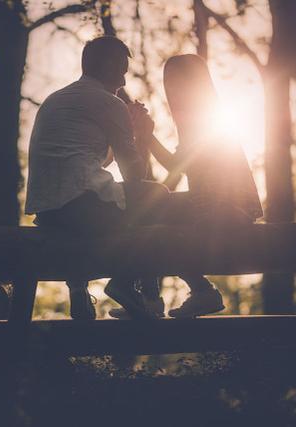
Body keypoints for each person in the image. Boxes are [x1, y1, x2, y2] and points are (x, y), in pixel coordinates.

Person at [109, 54, 264, 318]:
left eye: (177, 84)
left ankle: (168, 295)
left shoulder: (208, 118)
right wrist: (145, 136)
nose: (172, 91)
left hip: (228, 208)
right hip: (210, 205)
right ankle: (157, 296)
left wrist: (147, 134)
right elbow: (177, 166)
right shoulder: (194, 121)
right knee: (153, 207)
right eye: (169, 85)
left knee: (155, 211)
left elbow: (177, 165)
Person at [25, 36, 167, 320]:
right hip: (81, 206)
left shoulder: (58, 99)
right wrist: (142, 135)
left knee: (115, 201)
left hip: (48, 210)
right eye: (122, 71)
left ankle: (81, 292)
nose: (124, 82)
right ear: (107, 64)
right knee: (158, 195)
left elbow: (90, 160)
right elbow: (133, 174)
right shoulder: (108, 102)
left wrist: (122, 128)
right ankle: (131, 287)